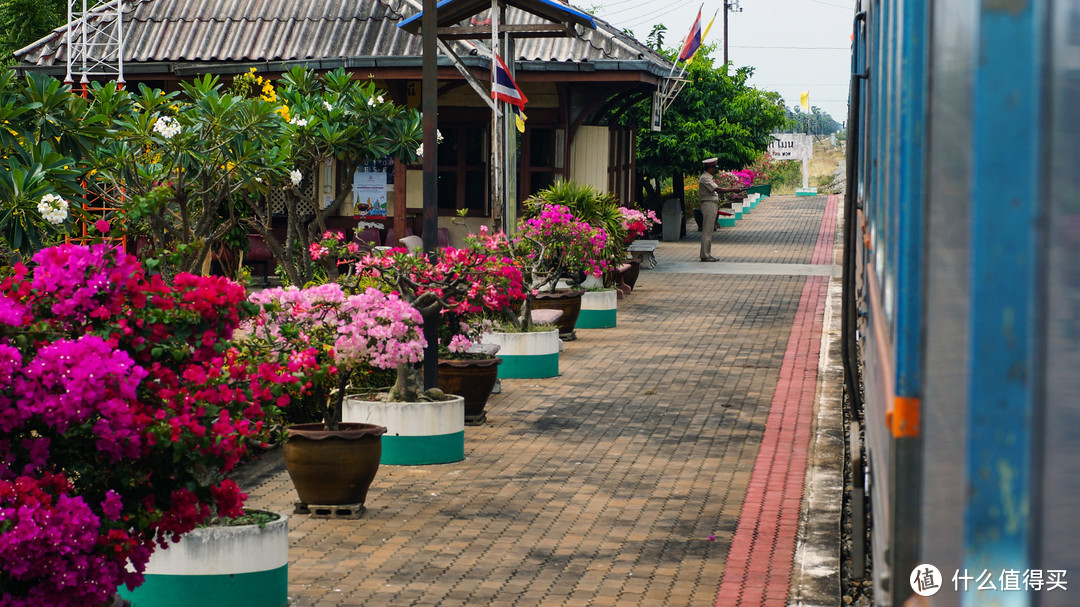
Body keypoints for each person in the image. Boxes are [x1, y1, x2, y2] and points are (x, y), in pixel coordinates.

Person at [697, 157, 746, 262]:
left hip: (711, 205)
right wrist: (733, 190)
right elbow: (718, 190)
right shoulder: (705, 178)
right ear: (709, 168)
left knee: (709, 231)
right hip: (708, 205)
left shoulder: (708, 177)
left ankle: (707, 254)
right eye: (714, 167)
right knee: (707, 231)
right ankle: (705, 255)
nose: (715, 170)